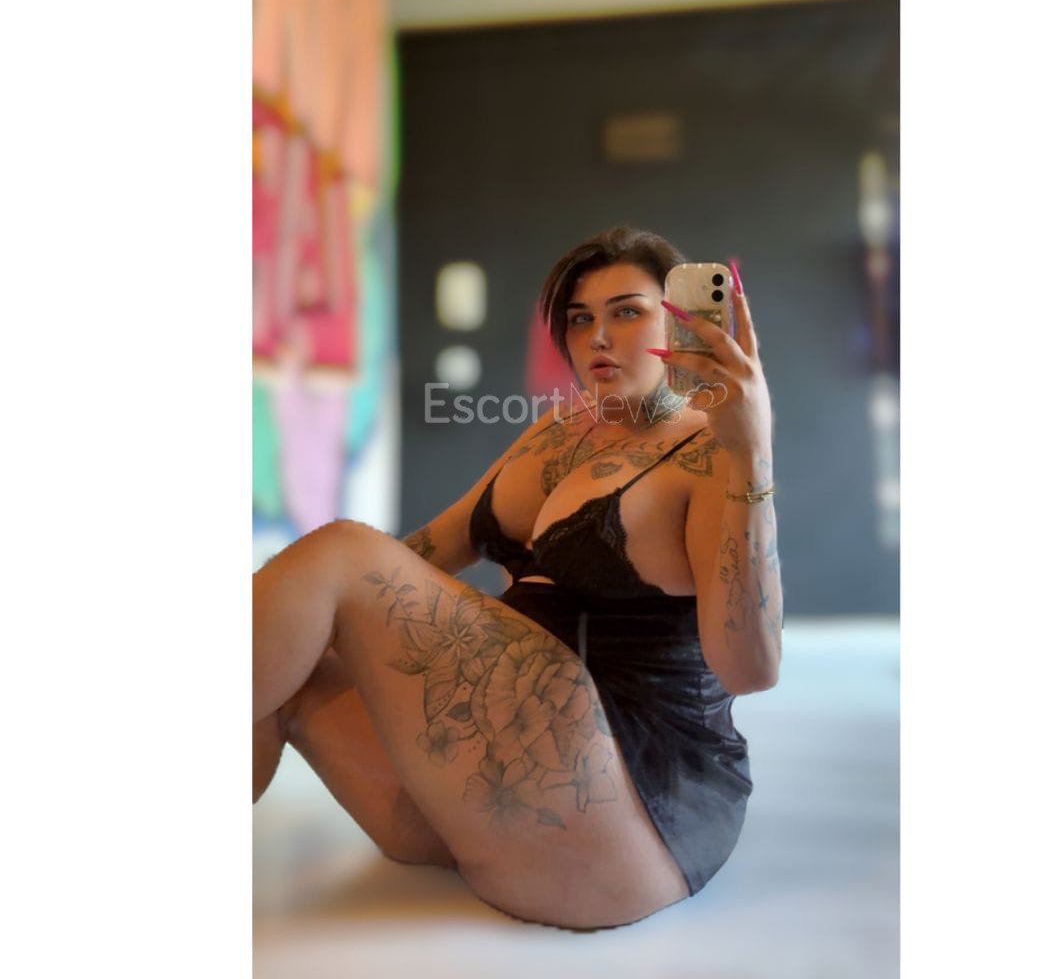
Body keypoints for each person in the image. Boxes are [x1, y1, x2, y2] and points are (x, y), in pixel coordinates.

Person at [253, 226, 783, 930]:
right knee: (284, 653)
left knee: (339, 553)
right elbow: (430, 550)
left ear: (682, 321)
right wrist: (303, 610)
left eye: (627, 312)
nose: (598, 337)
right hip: (499, 799)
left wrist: (751, 452)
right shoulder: (560, 430)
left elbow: (750, 670)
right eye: (580, 318)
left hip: (630, 813)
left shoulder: (712, 450)